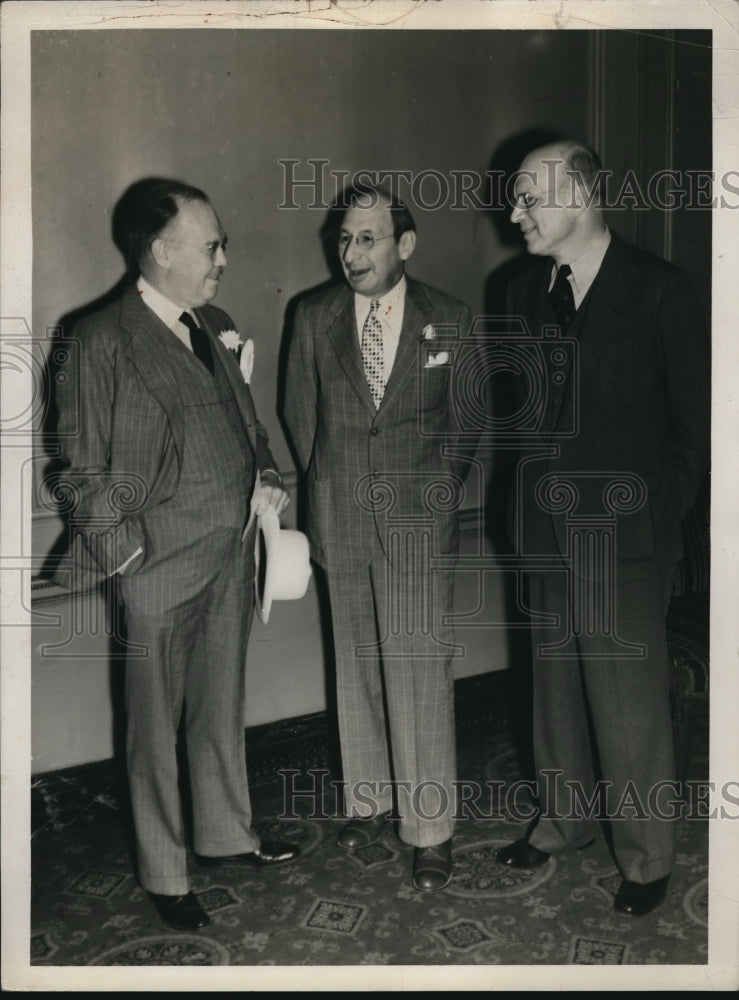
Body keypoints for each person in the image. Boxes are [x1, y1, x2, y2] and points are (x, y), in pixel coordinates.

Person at [54, 178, 299, 931]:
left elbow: (247, 428)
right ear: (161, 252)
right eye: (211, 245)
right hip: (153, 570)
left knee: (218, 708)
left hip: (230, 555)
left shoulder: (215, 323)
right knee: (152, 730)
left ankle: (227, 835)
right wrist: (130, 560)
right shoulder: (99, 338)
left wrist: (266, 480)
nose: (223, 258)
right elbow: (79, 472)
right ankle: (165, 872)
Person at [496, 141, 710, 916]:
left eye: (527, 197)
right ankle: (562, 822)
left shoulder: (658, 290)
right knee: (551, 689)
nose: (513, 212)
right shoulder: (518, 290)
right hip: (541, 529)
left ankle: (646, 857)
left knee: (626, 704)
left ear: (580, 195)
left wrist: (655, 513)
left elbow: (695, 428)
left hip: (624, 537)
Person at [284, 185, 478, 891]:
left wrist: (433, 494)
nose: (351, 253)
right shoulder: (310, 316)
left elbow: (466, 422)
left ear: (404, 244)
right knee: (356, 663)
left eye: (368, 238)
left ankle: (429, 829)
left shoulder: (448, 318)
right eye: (343, 238)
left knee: (419, 676)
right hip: (341, 517)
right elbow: (300, 421)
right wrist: (330, 491)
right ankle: (370, 799)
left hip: (417, 524)